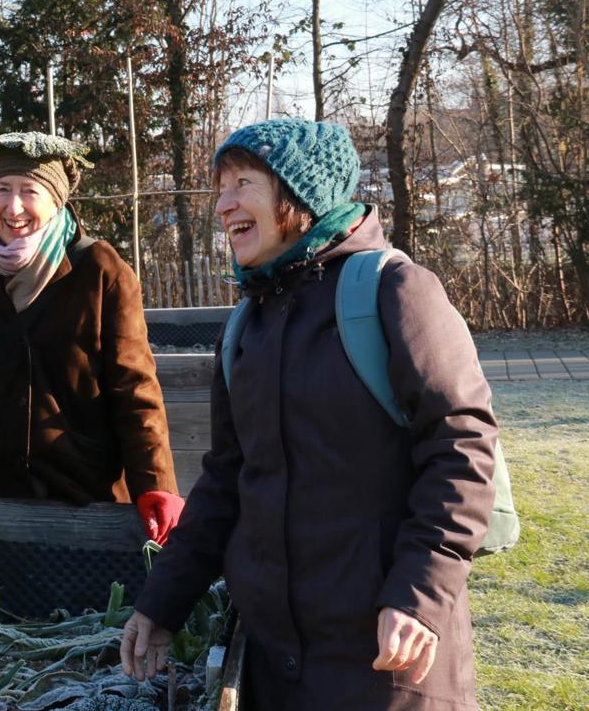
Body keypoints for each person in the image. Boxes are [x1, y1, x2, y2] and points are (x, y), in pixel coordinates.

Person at [119, 119, 498, 710]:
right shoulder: (246, 324)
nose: (223, 205)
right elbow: (226, 480)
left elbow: (462, 449)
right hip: (273, 664)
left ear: (300, 195)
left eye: (243, 184)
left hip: (387, 657)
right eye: (220, 189)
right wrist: (161, 603)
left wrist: (418, 595)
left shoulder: (396, 291)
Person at [0, 132, 182, 542]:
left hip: (87, 498)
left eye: (29, 191)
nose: (14, 207)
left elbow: (134, 388)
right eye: (2, 189)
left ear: (55, 200)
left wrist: (155, 482)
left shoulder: (100, 269)